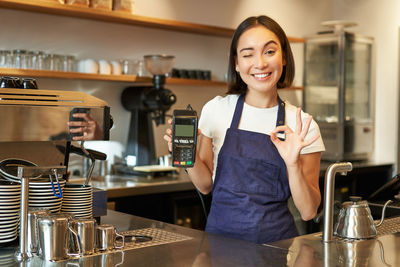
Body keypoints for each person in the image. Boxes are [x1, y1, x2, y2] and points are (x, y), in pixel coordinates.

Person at [164, 15, 325, 244]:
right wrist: (185, 156)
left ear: (285, 58)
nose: (260, 64)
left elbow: (309, 211)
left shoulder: (301, 124)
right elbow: (205, 185)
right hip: (219, 246)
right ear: (237, 63)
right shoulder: (216, 110)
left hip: (276, 249)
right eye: (248, 54)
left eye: (269, 52)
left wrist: (292, 164)